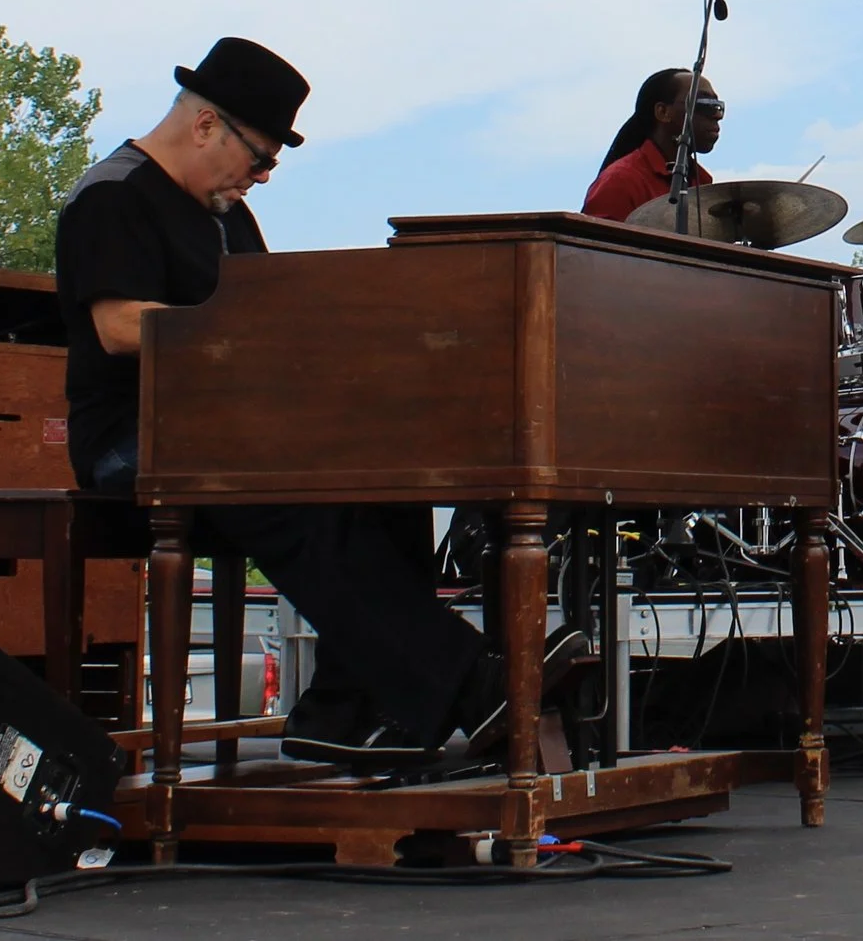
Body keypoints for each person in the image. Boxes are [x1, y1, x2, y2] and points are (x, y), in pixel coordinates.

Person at [54, 37, 576, 769]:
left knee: (384, 481)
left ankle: (343, 712)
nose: (262, 177)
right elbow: (113, 327)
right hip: (131, 441)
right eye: (260, 157)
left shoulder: (224, 212)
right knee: (293, 498)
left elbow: (265, 321)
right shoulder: (111, 196)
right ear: (207, 125)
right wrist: (232, 335)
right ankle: (470, 679)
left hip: (231, 434)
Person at [581, 67, 724, 221]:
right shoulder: (620, 182)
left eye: (717, 106)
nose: (717, 115)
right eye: (704, 104)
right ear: (663, 112)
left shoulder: (702, 181)